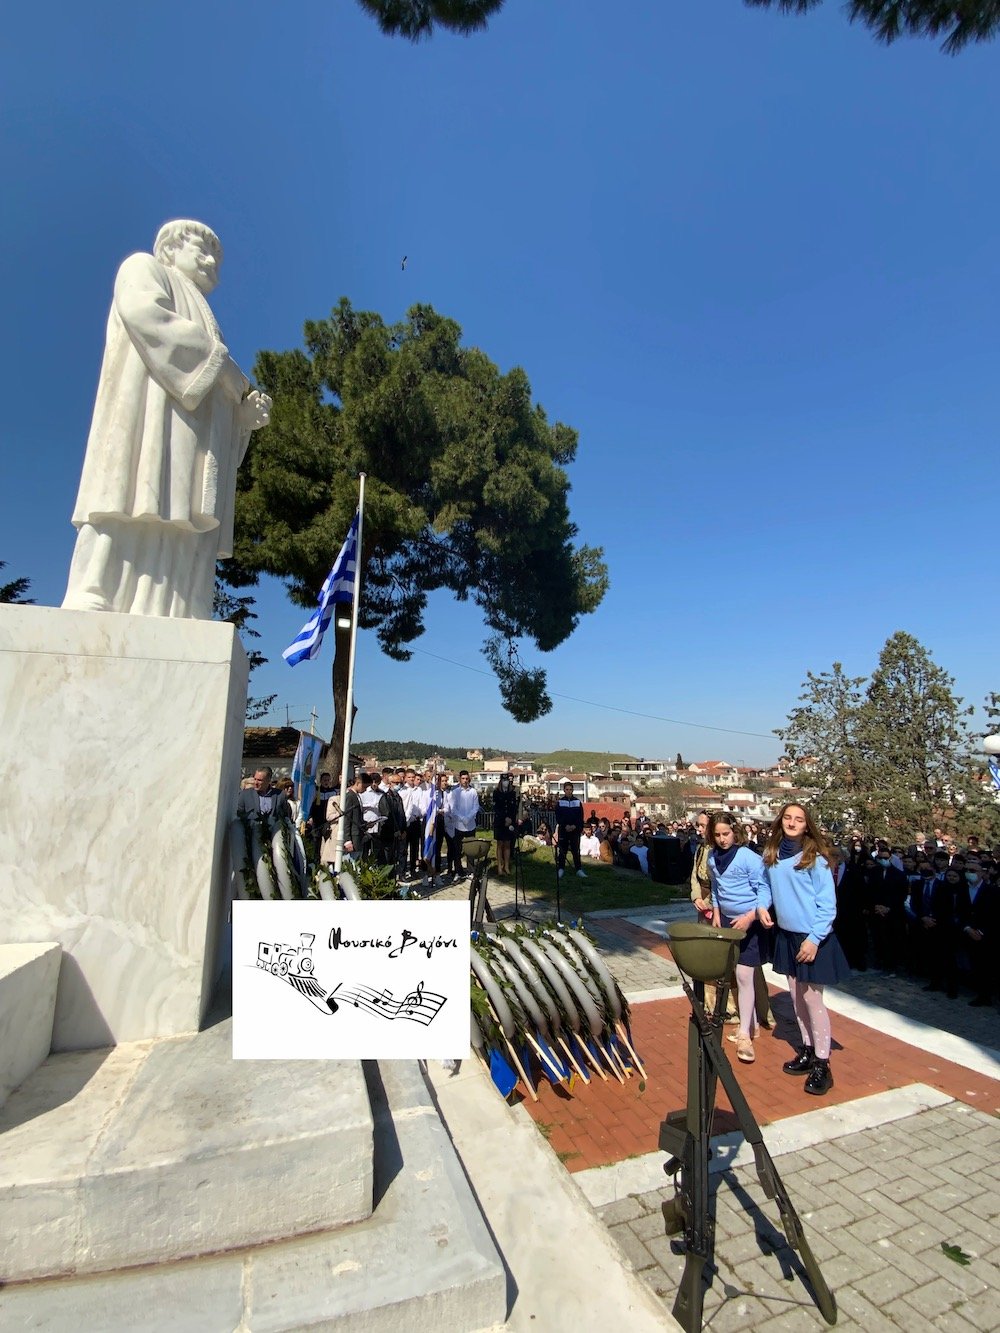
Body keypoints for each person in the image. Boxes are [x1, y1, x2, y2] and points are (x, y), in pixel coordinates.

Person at [63, 220, 271, 618]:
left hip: (191, 440)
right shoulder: (144, 269)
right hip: (148, 421)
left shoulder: (209, 316)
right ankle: (97, 589)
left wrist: (241, 418)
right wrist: (222, 366)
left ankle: (174, 607)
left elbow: (213, 391)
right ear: (172, 249)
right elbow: (146, 316)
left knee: (184, 519)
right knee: (129, 497)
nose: (212, 262)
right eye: (203, 250)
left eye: (218, 259)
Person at [759, 803, 849, 1097]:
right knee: (797, 999)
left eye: (799, 819)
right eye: (788, 818)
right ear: (780, 821)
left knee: (813, 1000)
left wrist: (813, 939)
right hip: (786, 936)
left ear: (806, 825)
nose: (792, 823)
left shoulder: (816, 859)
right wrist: (762, 906)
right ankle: (808, 1050)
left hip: (813, 938)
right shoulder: (771, 855)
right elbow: (764, 885)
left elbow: (828, 906)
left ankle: (823, 1063)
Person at [707, 813, 770, 1064]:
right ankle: (750, 1022)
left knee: (745, 975)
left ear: (735, 832)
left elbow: (765, 890)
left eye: (726, 834)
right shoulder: (711, 858)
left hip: (750, 923)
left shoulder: (749, 858)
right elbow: (716, 886)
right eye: (718, 835)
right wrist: (716, 911)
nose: (722, 839)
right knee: (734, 973)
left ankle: (744, 1033)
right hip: (726, 922)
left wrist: (751, 916)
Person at [445, 770, 480, 880]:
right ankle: (458, 871)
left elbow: (476, 807)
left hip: (470, 825)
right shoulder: (455, 792)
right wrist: (461, 818)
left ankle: (470, 870)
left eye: (467, 779)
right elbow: (453, 808)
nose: (465, 781)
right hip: (458, 825)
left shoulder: (473, 792)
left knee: (470, 849)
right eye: (463, 779)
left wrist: (468, 817)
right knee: (457, 849)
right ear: (460, 779)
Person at [554, 782, 587, 880]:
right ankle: (561, 868)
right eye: (567, 789)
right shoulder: (560, 802)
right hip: (564, 829)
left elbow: (580, 817)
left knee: (575, 850)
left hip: (574, 830)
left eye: (570, 789)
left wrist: (575, 826)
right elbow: (558, 816)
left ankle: (578, 869)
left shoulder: (577, 802)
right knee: (562, 850)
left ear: (573, 790)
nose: (569, 791)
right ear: (564, 790)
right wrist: (565, 826)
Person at [492, 774, 522, 876]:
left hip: (510, 821)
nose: (506, 782)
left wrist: (510, 818)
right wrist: (504, 818)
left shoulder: (512, 793)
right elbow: (497, 808)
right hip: (500, 822)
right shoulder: (496, 793)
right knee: (500, 844)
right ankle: (500, 867)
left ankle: (506, 866)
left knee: (508, 845)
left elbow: (513, 808)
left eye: (507, 780)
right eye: (504, 780)